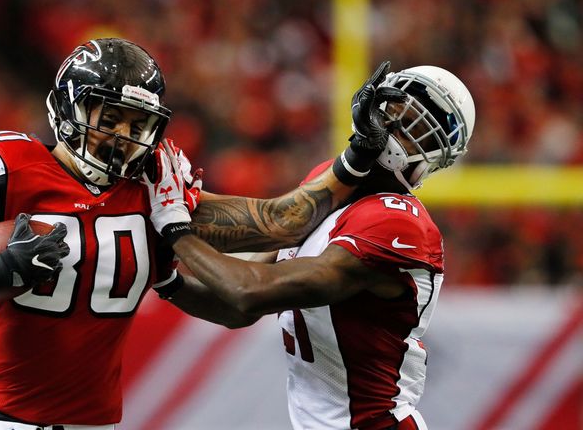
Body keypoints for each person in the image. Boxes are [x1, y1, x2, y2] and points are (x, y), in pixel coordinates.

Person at [0, 38, 396, 429]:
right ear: (68, 109)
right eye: (110, 118)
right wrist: (1, 268)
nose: (122, 137)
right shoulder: (8, 166)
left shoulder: (154, 192)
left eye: (137, 124)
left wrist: (357, 156)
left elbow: (284, 221)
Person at [145, 65, 475, 430]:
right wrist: (166, 281)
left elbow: (251, 291)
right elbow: (234, 306)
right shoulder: (336, 183)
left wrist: (176, 228)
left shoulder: (400, 222)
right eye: (393, 114)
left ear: (435, 155)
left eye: (415, 130)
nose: (393, 130)